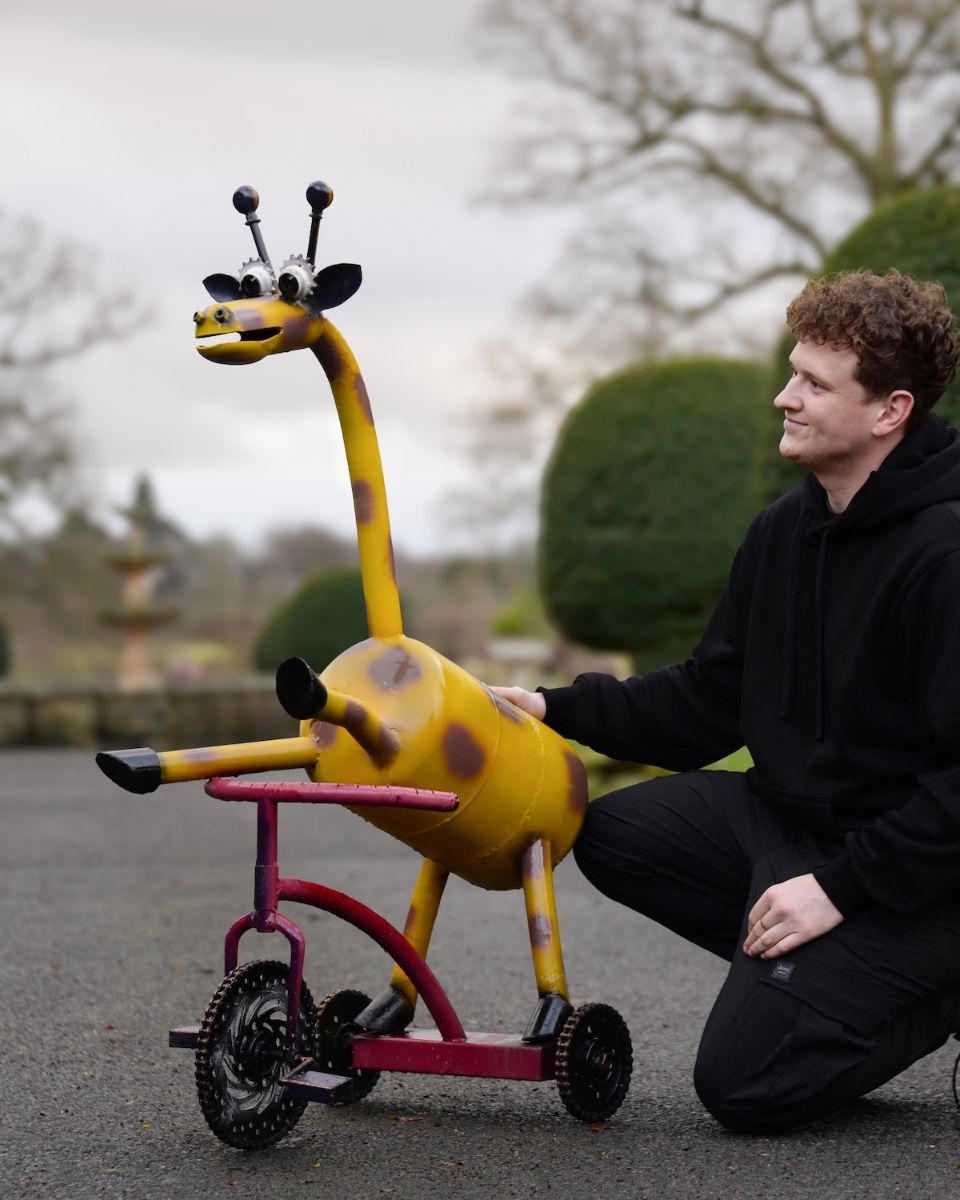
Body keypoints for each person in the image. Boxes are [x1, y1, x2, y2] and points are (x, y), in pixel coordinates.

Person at [496, 269, 960, 1133]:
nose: (785, 398)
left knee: (742, 1088)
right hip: (793, 825)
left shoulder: (945, 554)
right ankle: (811, 978)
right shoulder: (785, 531)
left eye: (814, 384)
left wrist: (841, 891)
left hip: (921, 874)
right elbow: (711, 699)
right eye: (792, 372)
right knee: (609, 835)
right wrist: (553, 708)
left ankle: (916, 987)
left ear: (890, 411)